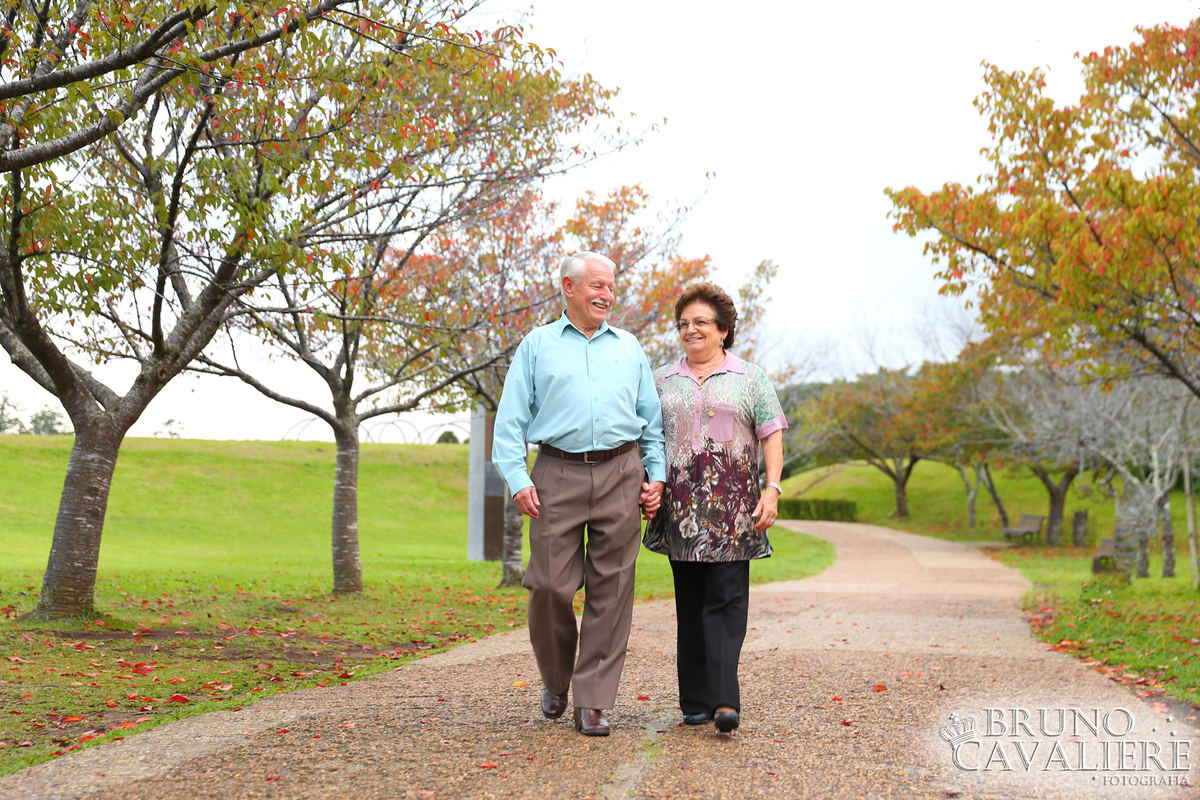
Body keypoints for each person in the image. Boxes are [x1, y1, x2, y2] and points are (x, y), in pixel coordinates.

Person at [492, 251, 666, 737]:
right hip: (556, 474)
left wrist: (656, 477)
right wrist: (519, 478)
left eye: (611, 287)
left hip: (622, 472)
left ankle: (592, 700)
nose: (606, 295)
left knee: (612, 591)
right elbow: (508, 424)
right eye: (597, 285)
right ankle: (556, 678)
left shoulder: (630, 346)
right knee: (549, 586)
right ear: (568, 287)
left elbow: (651, 423)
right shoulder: (537, 345)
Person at [647, 281, 787, 734]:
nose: (691, 330)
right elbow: (649, 439)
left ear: (724, 330)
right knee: (689, 606)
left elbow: (771, 433)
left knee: (726, 604)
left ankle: (725, 701)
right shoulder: (662, 381)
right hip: (681, 510)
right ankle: (694, 701)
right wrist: (650, 484)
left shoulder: (752, 378)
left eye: (701, 322)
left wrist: (773, 489)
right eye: (684, 323)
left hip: (734, 512)